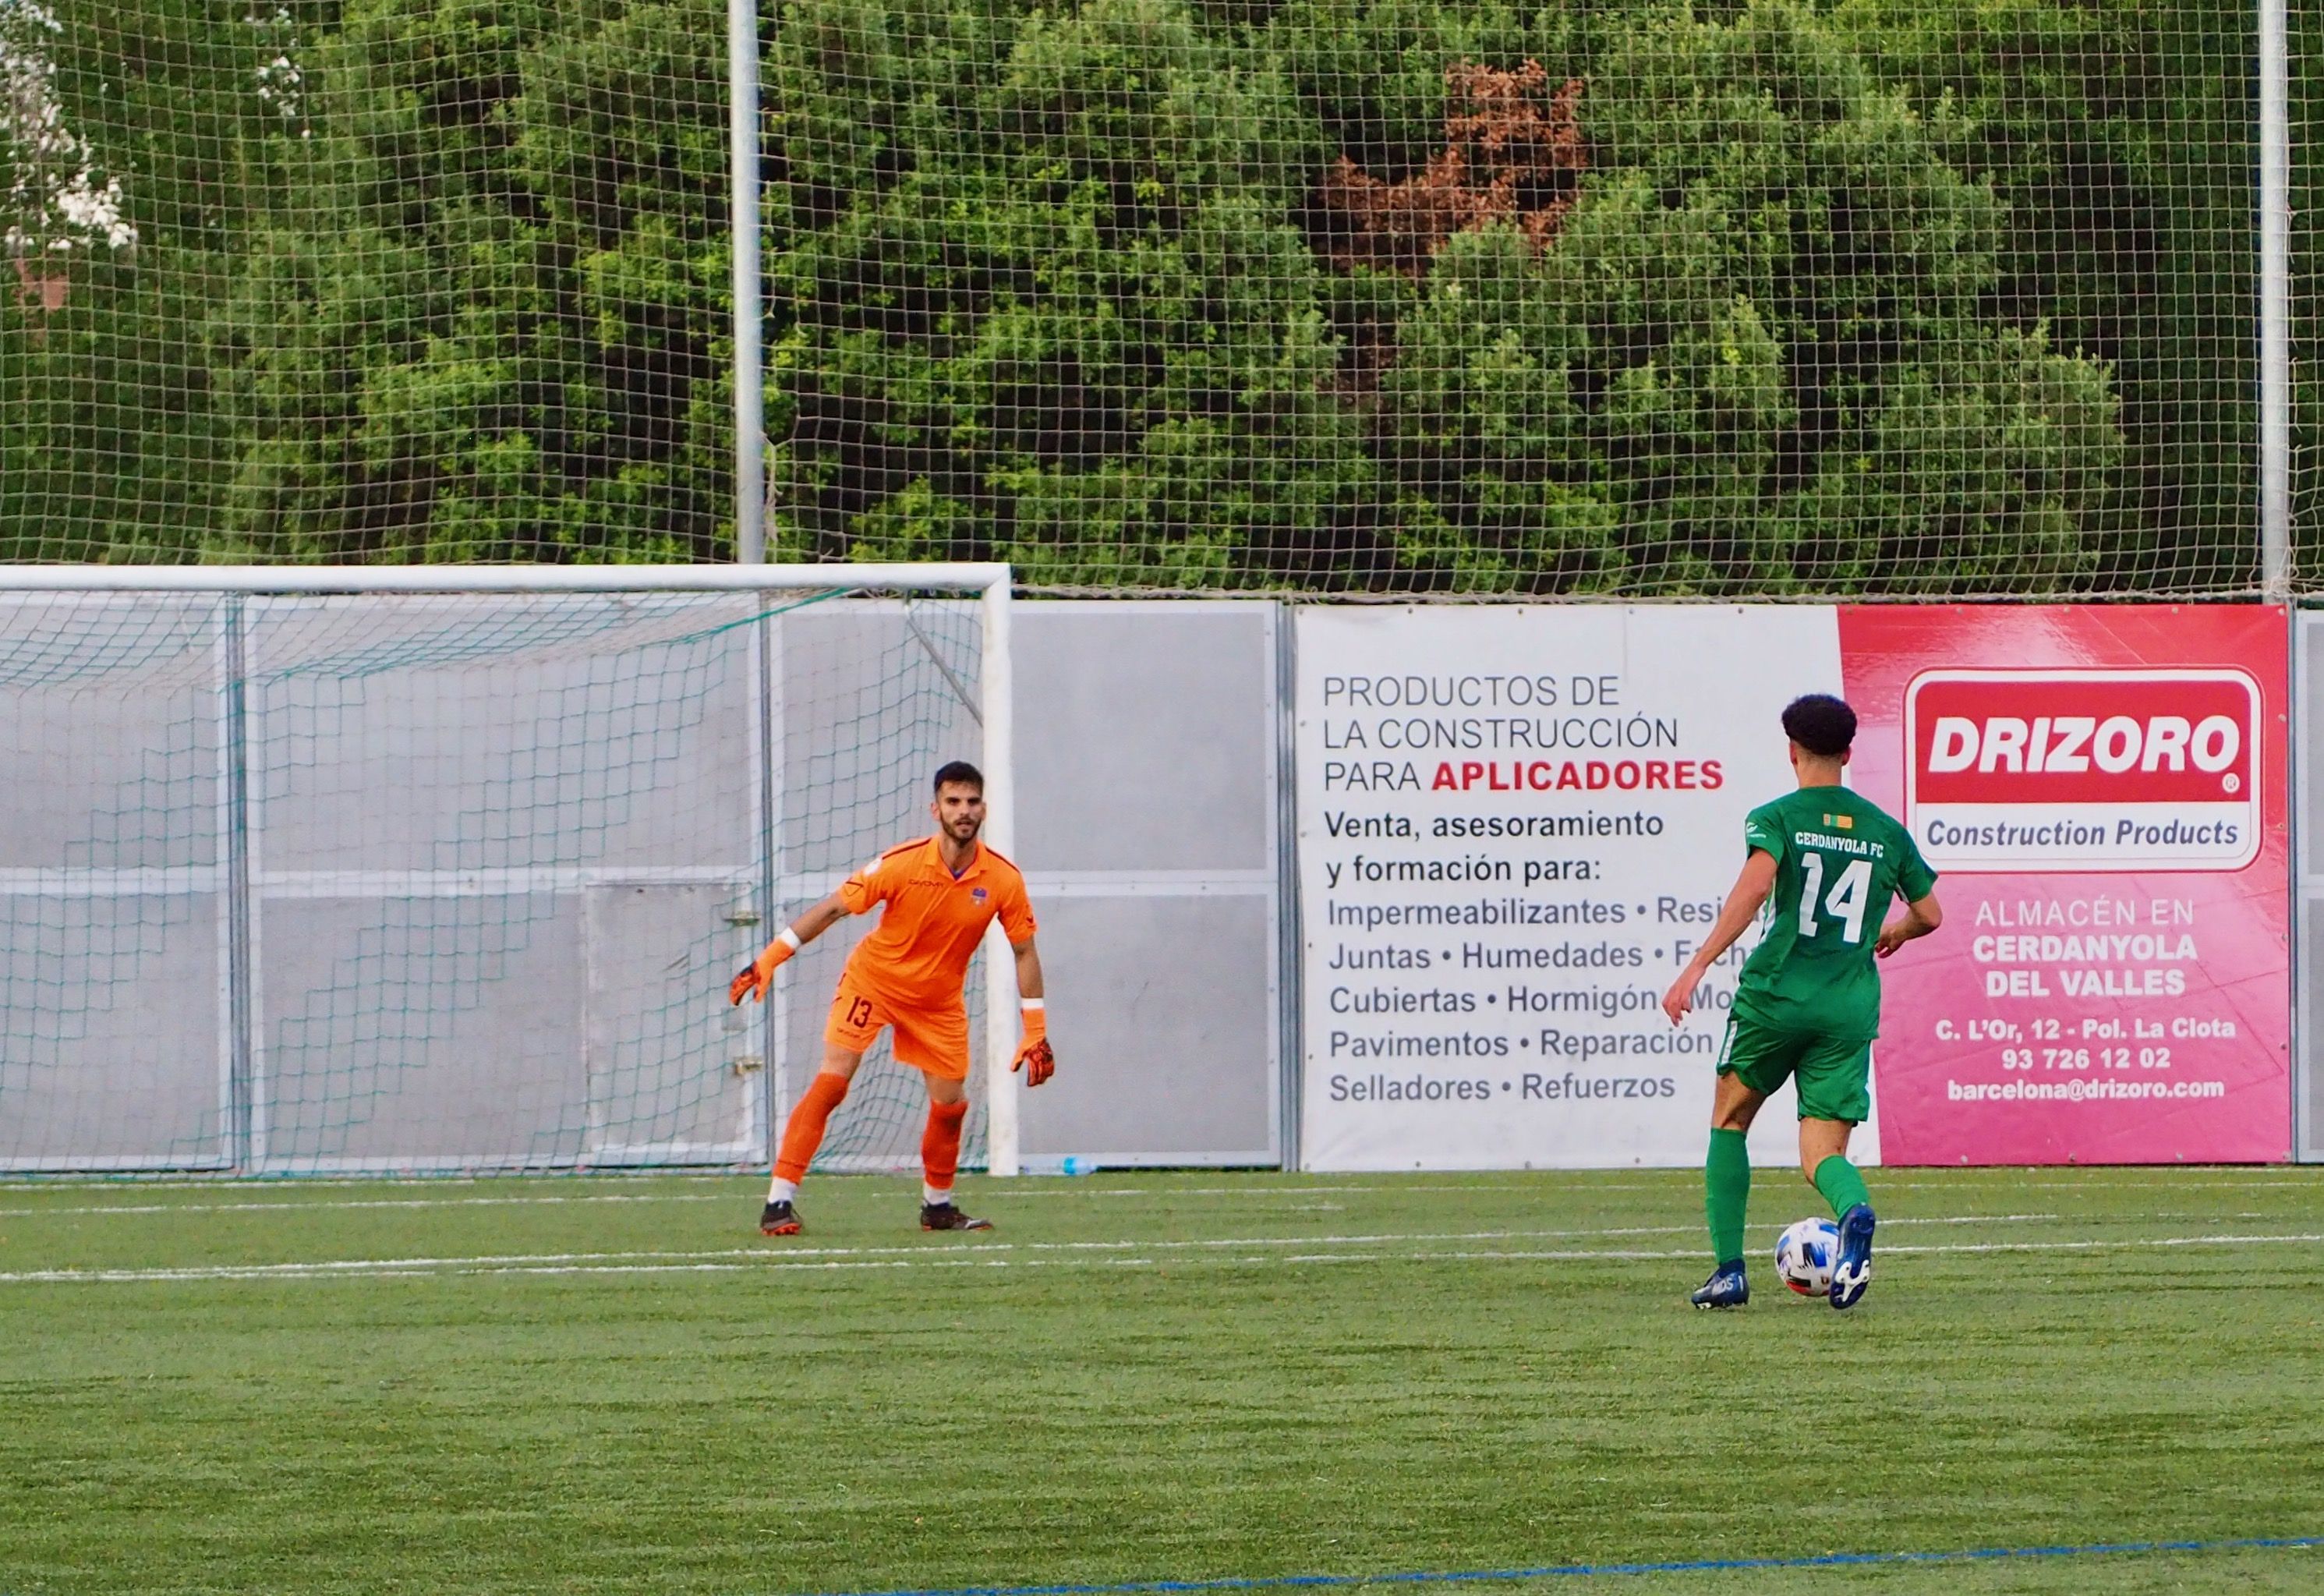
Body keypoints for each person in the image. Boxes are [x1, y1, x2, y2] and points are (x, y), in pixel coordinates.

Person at [1659, 694, 1941, 1311]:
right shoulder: (1885, 832)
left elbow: (1757, 885)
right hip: (1846, 1006)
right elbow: (1930, 913)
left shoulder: (1778, 816)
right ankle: (1854, 1211)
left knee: (1730, 1118)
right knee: (1822, 1153)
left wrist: (1699, 961)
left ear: (1791, 751)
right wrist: (1892, 931)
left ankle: (1729, 1271)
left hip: (1776, 997)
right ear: (1846, 752)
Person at [729, 760, 1052, 1235]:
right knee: (833, 1082)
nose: (963, 811)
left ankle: (937, 1207)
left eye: (971, 802)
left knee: (951, 1106)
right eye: (953, 802)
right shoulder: (901, 863)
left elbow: (1024, 951)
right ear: (935, 808)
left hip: (938, 1003)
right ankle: (778, 1201)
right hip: (873, 983)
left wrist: (1037, 1030)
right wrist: (770, 958)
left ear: (984, 808)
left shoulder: (1003, 879)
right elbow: (835, 907)